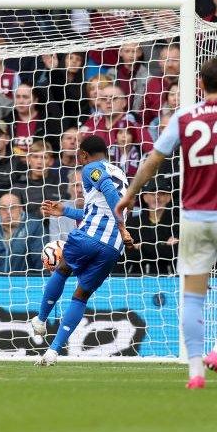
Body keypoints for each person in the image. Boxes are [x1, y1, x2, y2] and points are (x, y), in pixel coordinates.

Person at [117, 58, 217, 389]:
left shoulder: (183, 116)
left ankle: (195, 374)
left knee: (193, 295)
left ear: (200, 83)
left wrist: (131, 193)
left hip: (192, 217)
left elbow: (154, 160)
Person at [32, 135, 132, 366]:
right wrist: (65, 211)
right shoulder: (119, 172)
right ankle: (54, 351)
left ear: (84, 154)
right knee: (81, 295)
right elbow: (99, 210)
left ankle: (40, 319)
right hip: (112, 247)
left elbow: (108, 191)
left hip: (91, 236)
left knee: (62, 268)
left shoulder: (91, 168)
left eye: (79, 154)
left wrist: (121, 225)